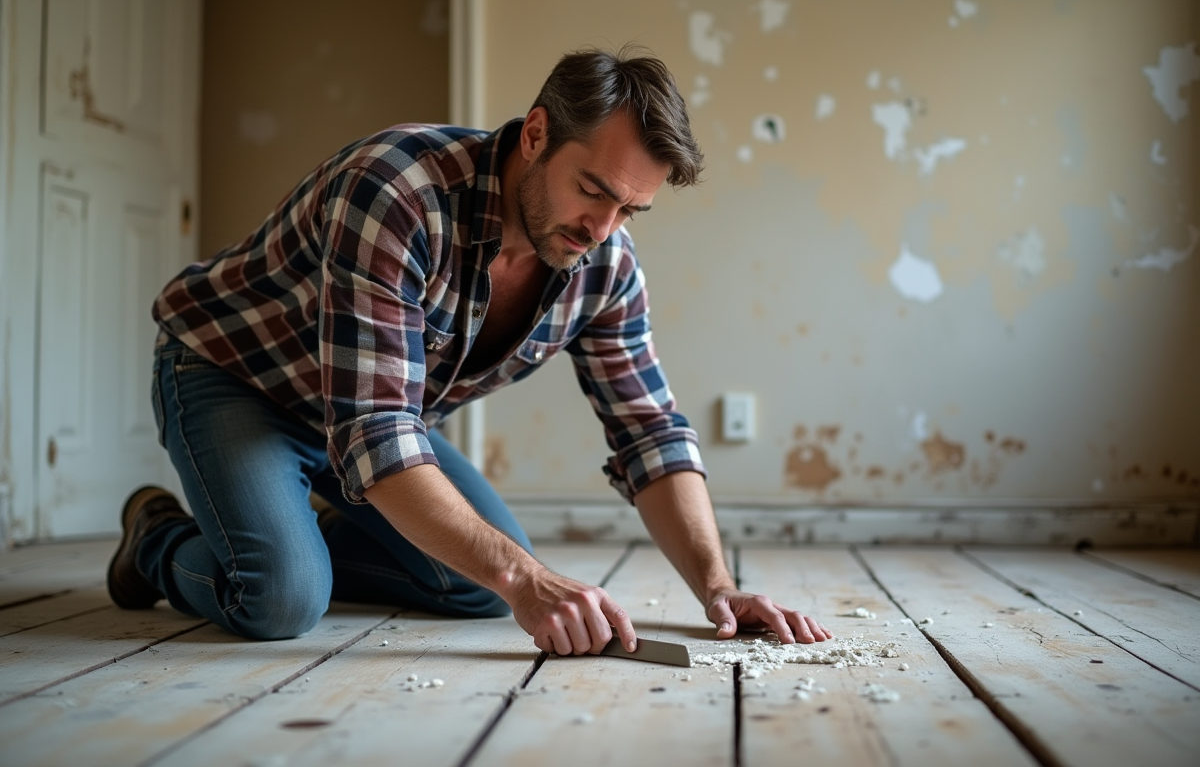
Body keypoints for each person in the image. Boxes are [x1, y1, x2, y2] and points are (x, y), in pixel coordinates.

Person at [107, 45, 833, 655]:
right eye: (593, 191)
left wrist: (718, 586)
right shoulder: (395, 188)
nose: (603, 229)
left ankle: (313, 529)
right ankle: (156, 535)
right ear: (537, 133)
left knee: (474, 588)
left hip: (368, 423)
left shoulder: (605, 263)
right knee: (283, 599)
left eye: (630, 210)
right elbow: (375, 430)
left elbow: (649, 432)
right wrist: (521, 577)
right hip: (236, 377)